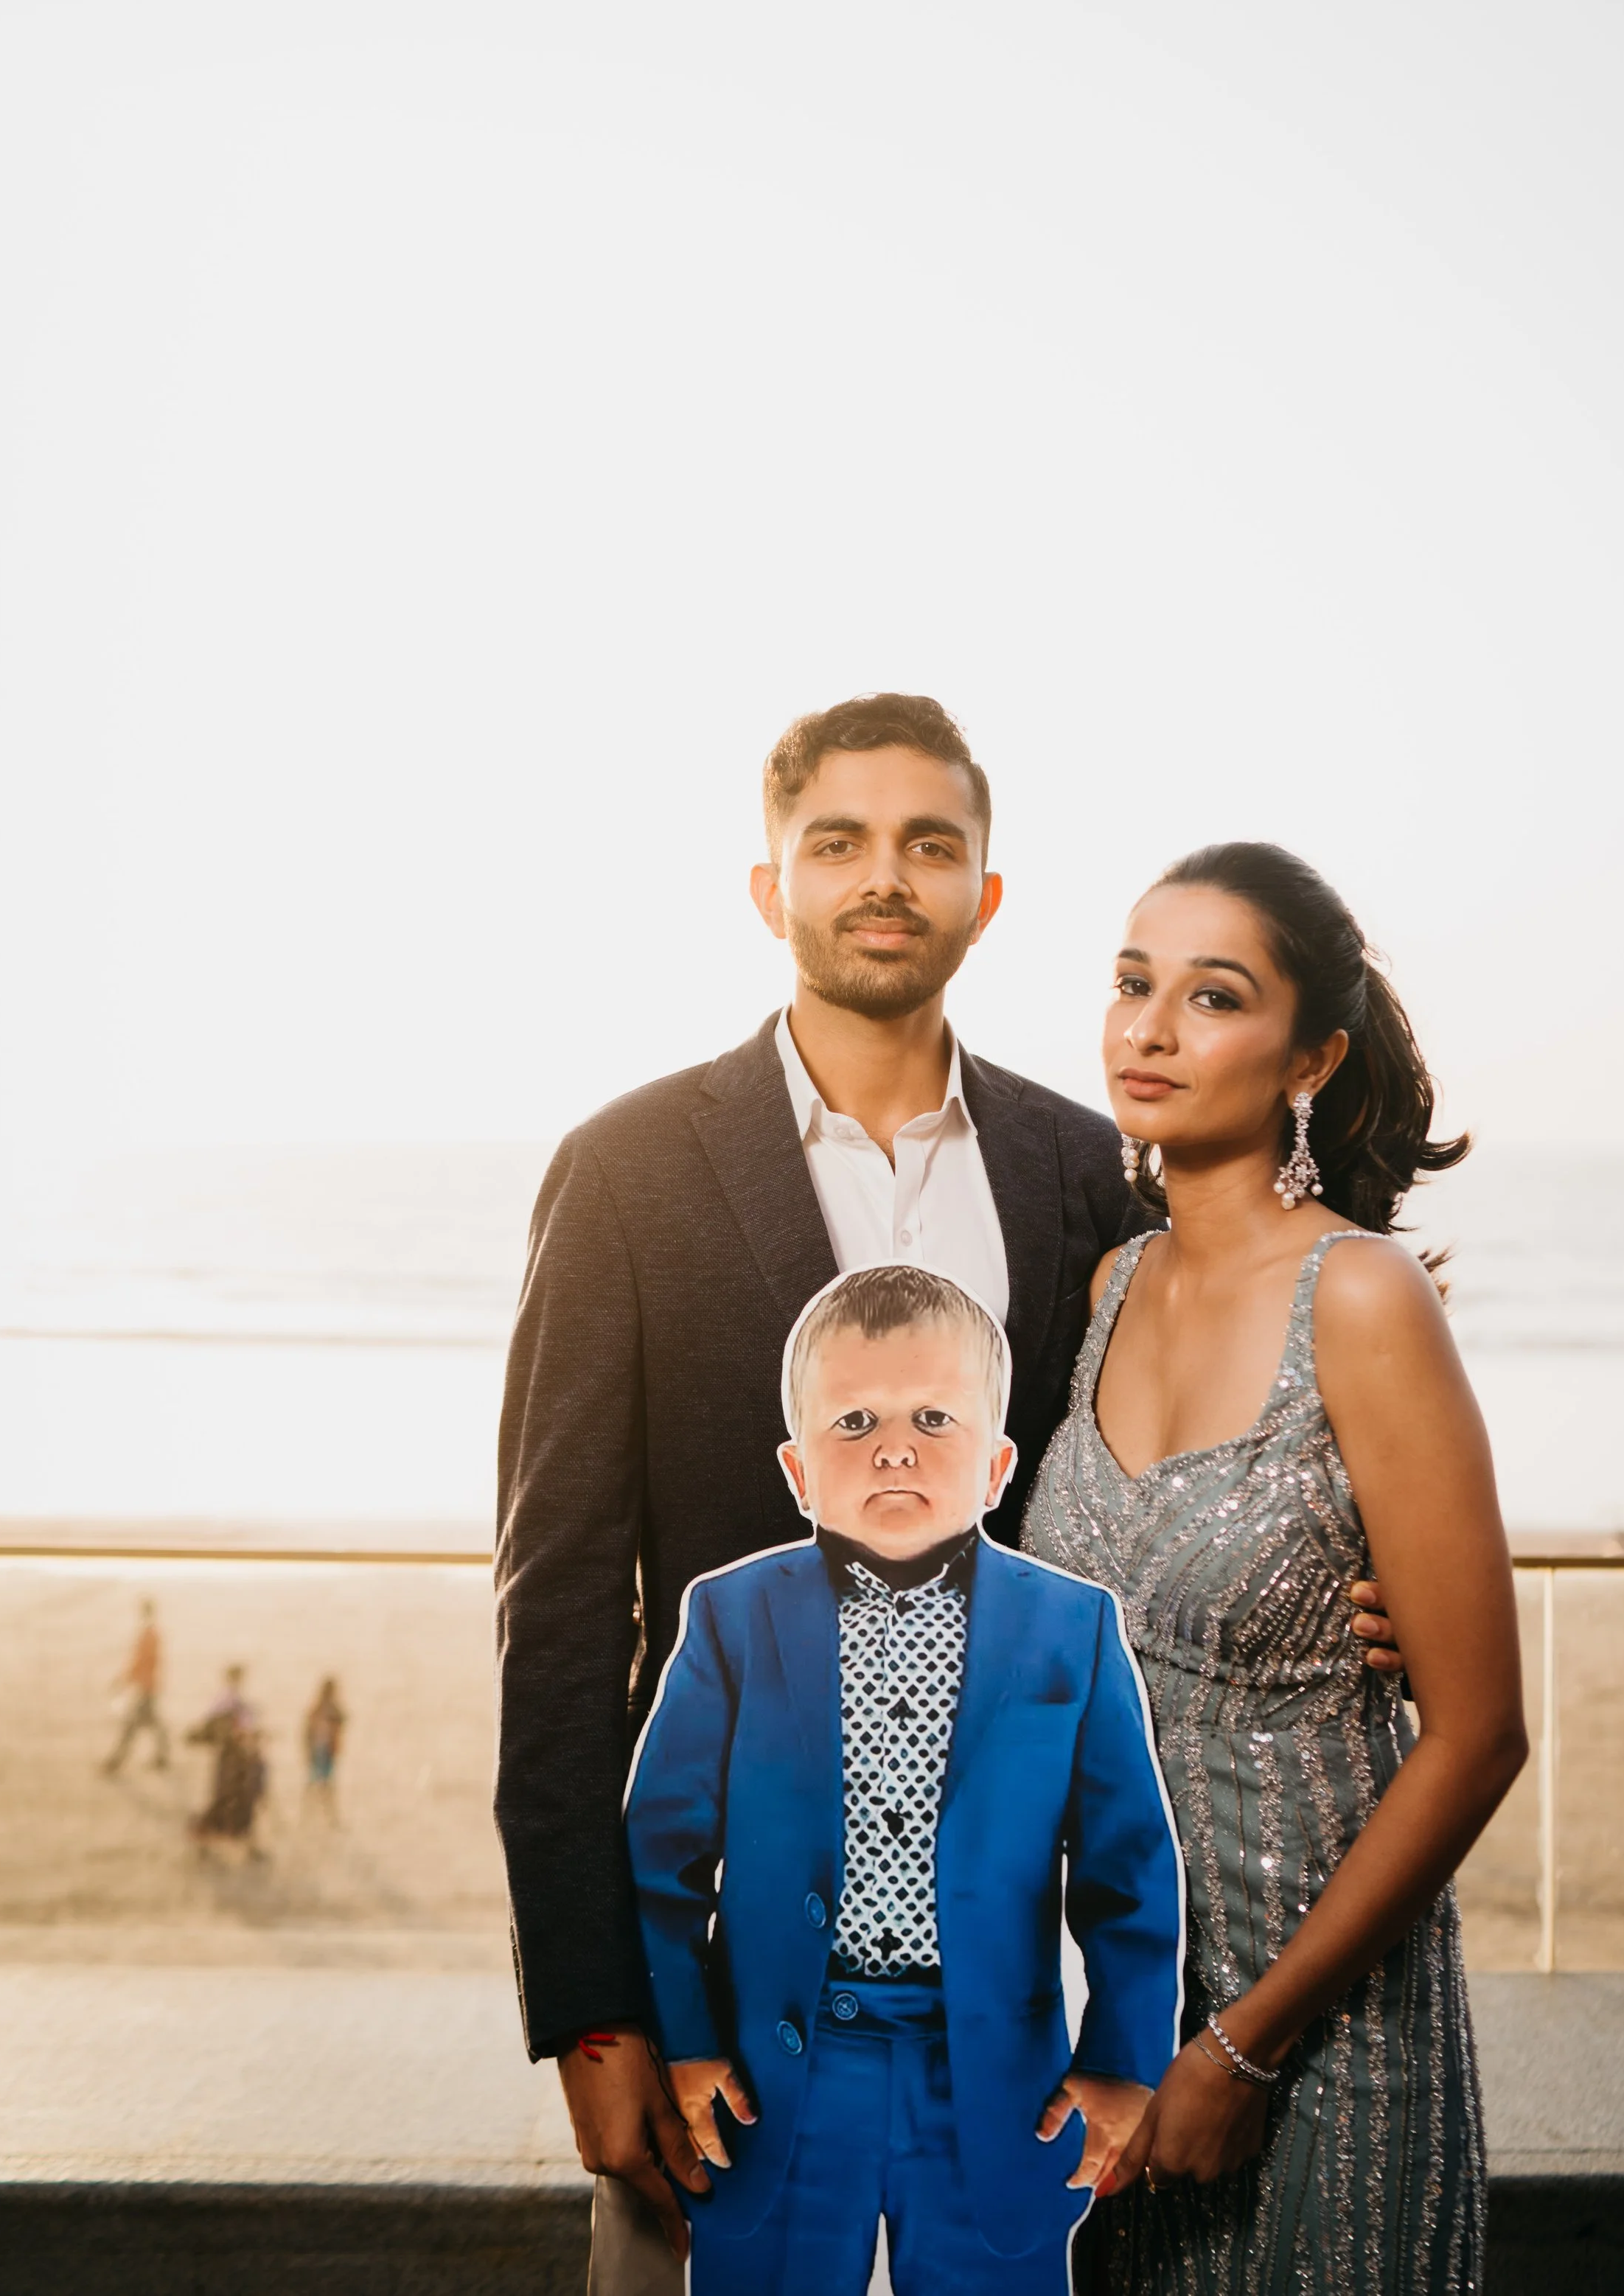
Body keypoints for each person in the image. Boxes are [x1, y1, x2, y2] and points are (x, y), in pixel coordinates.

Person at [493, 697, 1404, 2247]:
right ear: (767, 887)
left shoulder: (1078, 1175)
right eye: (835, 841)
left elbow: (1176, 1453)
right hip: (716, 2010)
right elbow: (560, 1612)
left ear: (985, 899)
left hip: (1011, 2023)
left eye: (930, 845)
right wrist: (590, 2016)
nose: (882, 878)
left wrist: (1345, 1587)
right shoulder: (624, 1173)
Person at [1021, 843, 1527, 2294]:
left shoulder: (1357, 1297)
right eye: (1130, 985)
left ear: (1309, 1052)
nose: (1148, 1029)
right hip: (1108, 2015)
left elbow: (1477, 1733)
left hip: (1315, 2028)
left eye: (1210, 996)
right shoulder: (1113, 1287)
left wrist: (1245, 2048)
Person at [625, 1266, 1183, 2295]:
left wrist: (1123, 2058)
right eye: (854, 1420)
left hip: (990, 2077)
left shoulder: (1073, 1630)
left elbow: (1130, 1872)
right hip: (775, 2078)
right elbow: (659, 1860)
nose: (894, 1445)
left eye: (934, 1416)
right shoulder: (730, 1620)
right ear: (798, 1471)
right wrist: (685, 2042)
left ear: (998, 1464)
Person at [187, 1664, 269, 1857]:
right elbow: (229, 1729)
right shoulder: (227, 1701)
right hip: (232, 1760)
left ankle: (245, 1846)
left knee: (239, 1803)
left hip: (236, 1759)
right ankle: (208, 1842)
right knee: (230, 1802)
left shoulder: (231, 1700)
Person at [102, 1597, 170, 1776]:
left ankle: (115, 1762)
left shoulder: (148, 1635)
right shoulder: (153, 1634)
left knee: (131, 1726)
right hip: (149, 1686)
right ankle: (162, 1757)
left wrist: (122, 1680)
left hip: (146, 1687)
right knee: (153, 1722)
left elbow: (139, 1662)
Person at [303, 1677, 347, 1817]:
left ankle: (315, 1812)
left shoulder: (319, 1708)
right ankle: (328, 1813)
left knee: (317, 1780)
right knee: (324, 1781)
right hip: (324, 1748)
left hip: (321, 1748)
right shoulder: (328, 1709)